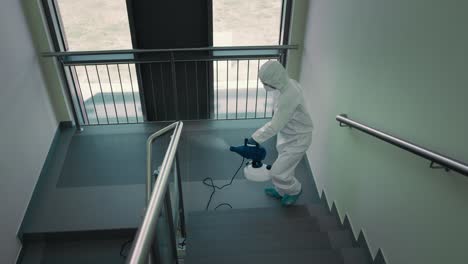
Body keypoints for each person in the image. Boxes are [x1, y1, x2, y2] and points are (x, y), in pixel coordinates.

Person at [248, 61, 313, 206]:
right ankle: (280, 190)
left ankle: (295, 190)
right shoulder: (286, 85)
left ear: (274, 80)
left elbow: (275, 124)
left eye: (265, 82)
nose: (264, 85)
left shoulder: (289, 95)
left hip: (299, 139)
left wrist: (255, 138)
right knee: (284, 167)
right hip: (288, 134)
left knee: (278, 171)